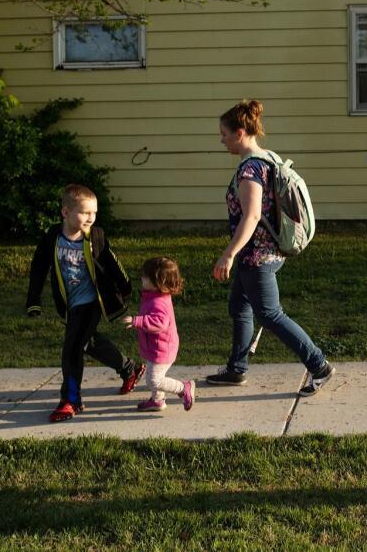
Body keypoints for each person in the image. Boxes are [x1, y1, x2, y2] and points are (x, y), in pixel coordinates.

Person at [206, 99, 335, 396]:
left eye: (224, 134)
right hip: (268, 251)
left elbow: (251, 216)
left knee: (269, 314)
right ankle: (236, 369)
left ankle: (319, 366)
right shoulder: (268, 158)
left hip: (257, 256)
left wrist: (229, 254)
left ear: (240, 133)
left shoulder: (250, 169)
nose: (221, 139)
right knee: (239, 306)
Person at [25, 183, 145, 422]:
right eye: (84, 213)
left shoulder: (96, 237)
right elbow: (38, 268)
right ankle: (129, 368)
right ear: (65, 212)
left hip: (91, 303)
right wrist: (33, 300)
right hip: (68, 305)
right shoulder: (52, 238)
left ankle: (70, 400)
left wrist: (126, 289)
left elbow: (111, 262)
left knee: (71, 349)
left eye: (94, 213)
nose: (91, 218)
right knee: (88, 343)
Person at [121, 257, 195, 412]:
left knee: (154, 380)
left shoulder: (158, 302)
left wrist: (137, 321)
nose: (142, 278)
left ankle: (183, 388)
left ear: (158, 282)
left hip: (162, 348)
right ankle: (157, 400)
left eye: (145, 277)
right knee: (153, 373)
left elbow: (159, 323)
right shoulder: (153, 296)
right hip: (156, 346)